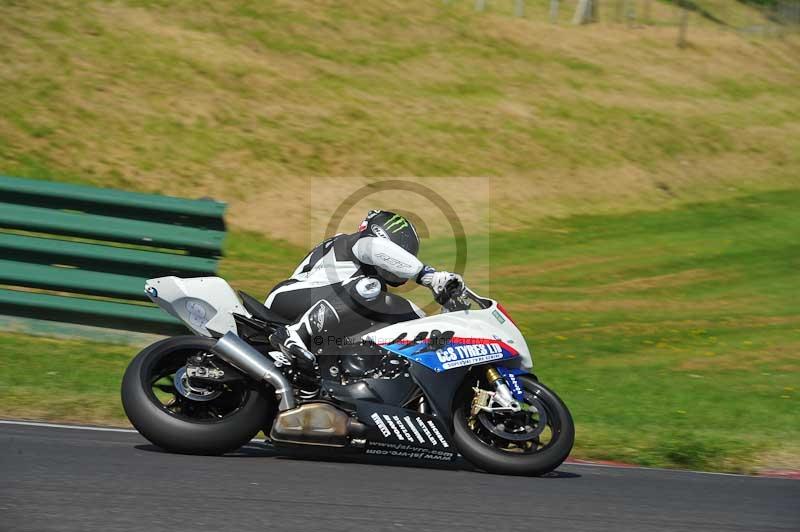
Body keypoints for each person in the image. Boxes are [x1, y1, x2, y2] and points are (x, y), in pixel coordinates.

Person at [265, 210, 464, 366]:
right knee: (370, 288)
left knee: (402, 312)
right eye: (401, 252)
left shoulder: (374, 292)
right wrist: (428, 277)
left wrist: (451, 313)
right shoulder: (352, 243)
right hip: (287, 298)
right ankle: (293, 336)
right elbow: (374, 249)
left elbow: (423, 325)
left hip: (323, 314)